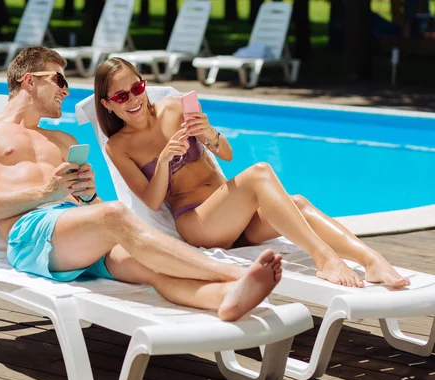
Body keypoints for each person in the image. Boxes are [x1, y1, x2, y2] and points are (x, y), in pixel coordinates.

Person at [0, 46, 283, 322]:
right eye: (59, 79)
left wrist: (88, 195)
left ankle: (224, 299)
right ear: (30, 81)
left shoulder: (62, 140)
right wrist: (45, 193)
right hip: (29, 235)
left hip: (75, 236)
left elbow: (90, 210)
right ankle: (231, 276)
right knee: (116, 215)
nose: (65, 89)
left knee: (150, 268)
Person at [96, 57, 410, 289]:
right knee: (260, 172)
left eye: (136, 87)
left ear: (143, 84)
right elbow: (150, 202)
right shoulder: (119, 146)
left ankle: (370, 260)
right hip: (199, 224)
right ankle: (325, 258)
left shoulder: (175, 106)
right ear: (108, 104)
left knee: (297, 203)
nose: (133, 99)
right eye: (121, 97)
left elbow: (227, 154)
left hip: (237, 221)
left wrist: (208, 134)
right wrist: (163, 161)